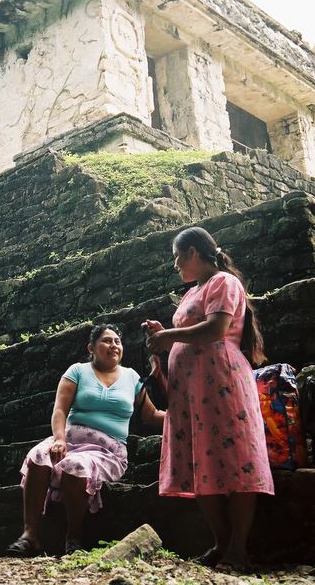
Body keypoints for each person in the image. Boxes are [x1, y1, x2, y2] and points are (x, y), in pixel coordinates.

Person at [145, 227, 273, 574]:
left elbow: (216, 329)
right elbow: (186, 336)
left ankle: (238, 547)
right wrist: (163, 338)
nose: (175, 265)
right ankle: (220, 541)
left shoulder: (223, 283)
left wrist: (169, 335)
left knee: (237, 458)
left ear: (192, 252)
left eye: (176, 257)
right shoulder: (194, 292)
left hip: (221, 384)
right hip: (191, 391)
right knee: (200, 460)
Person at [6, 323, 164, 556]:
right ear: (91, 347)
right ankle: (30, 535)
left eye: (117, 342)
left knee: (75, 465)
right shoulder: (77, 371)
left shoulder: (132, 378)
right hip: (69, 440)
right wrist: (59, 439)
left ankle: (74, 538)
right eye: (107, 340)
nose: (114, 345)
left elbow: (151, 415)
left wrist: (183, 417)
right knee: (39, 455)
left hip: (107, 450)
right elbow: (60, 410)